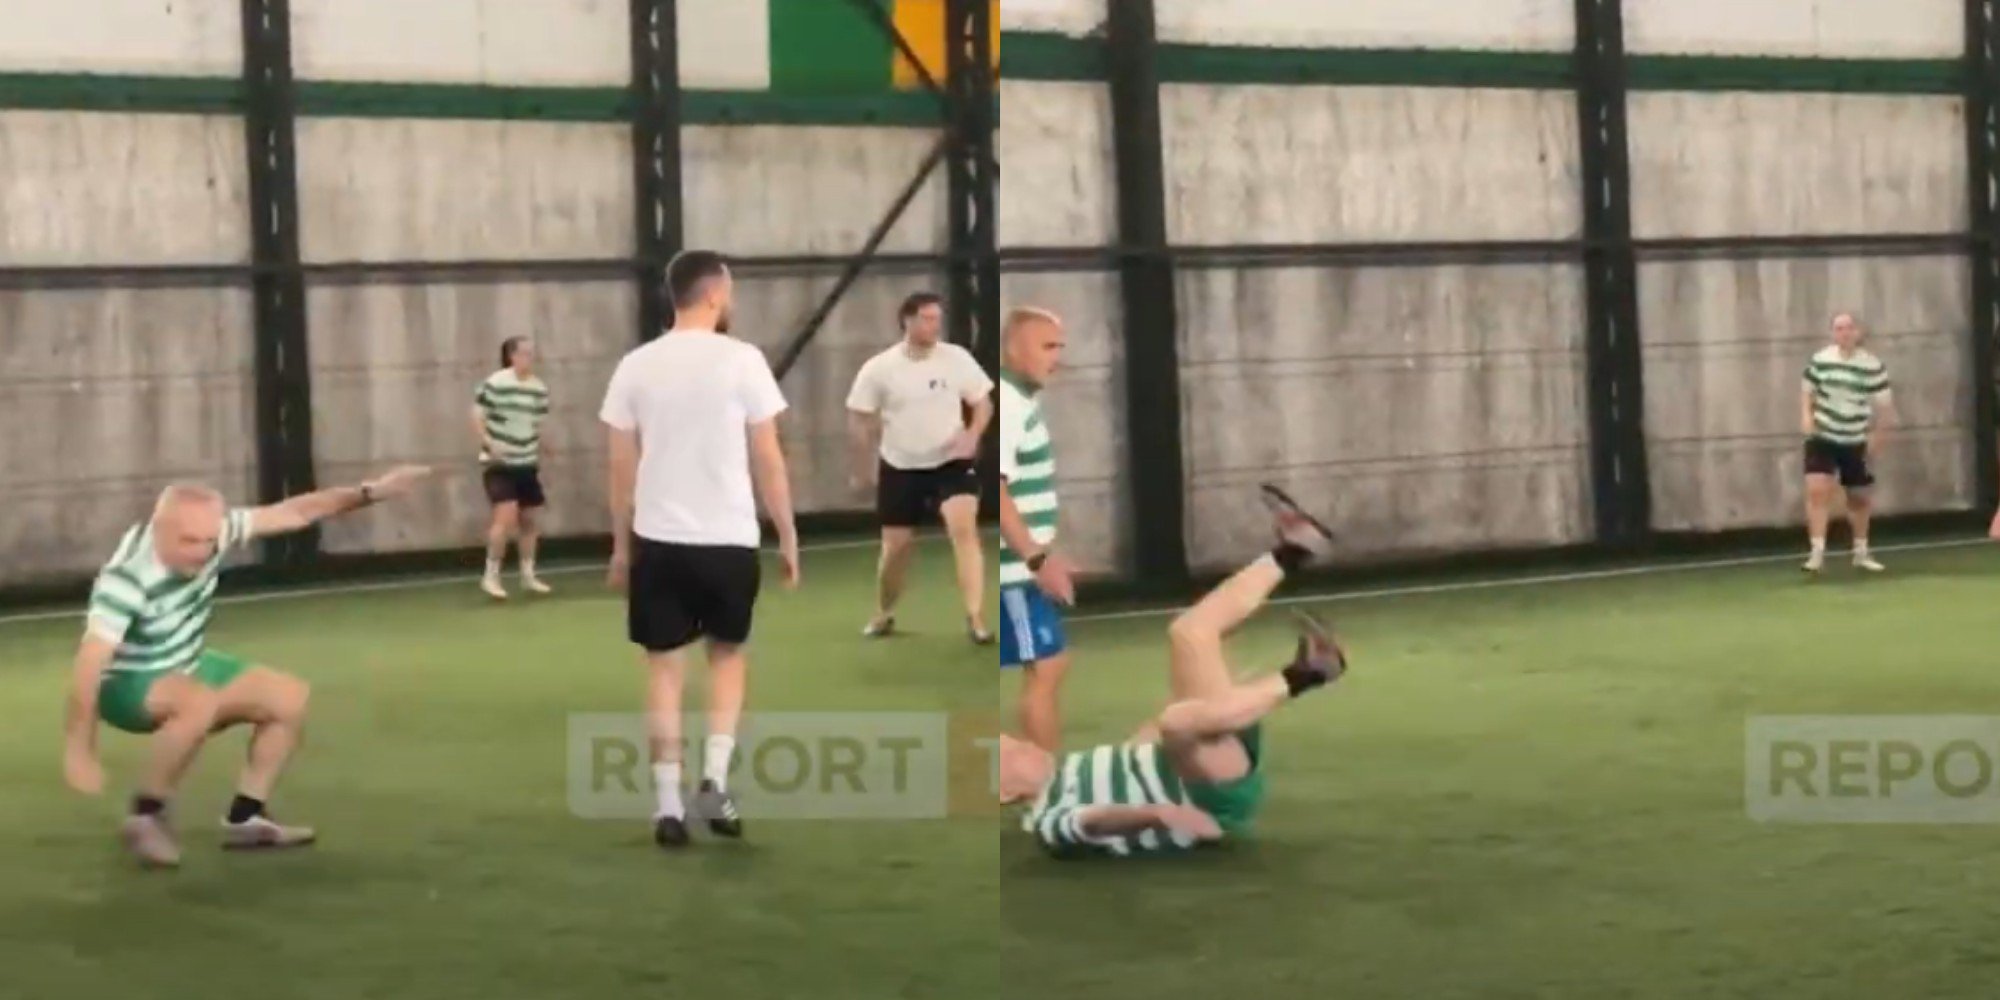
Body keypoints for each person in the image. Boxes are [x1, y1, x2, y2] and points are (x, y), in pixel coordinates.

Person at [61, 466, 432, 868]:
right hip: (125, 685)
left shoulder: (215, 531)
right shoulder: (127, 579)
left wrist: (370, 492)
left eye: (209, 540)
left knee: (288, 698)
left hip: (185, 660)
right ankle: (147, 814)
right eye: (189, 541)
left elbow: (295, 512)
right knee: (198, 703)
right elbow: (89, 664)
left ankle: (246, 817)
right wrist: (80, 749)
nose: (202, 552)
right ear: (159, 530)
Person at [999, 485, 1341, 859]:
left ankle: (1296, 548)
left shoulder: (1074, 769)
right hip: (1208, 798)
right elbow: (1093, 822)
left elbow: (1139, 750)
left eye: (1014, 741)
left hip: (1197, 753)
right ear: (1006, 792)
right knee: (1175, 722)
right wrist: (1161, 815)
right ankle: (1307, 673)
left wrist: (1207, 694)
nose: (1025, 745)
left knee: (1190, 632)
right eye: (1012, 754)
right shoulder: (1048, 820)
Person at [601, 250, 801, 850]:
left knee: (664, 672)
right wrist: (787, 533)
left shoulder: (635, 365)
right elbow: (768, 455)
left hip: (659, 541)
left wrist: (620, 545)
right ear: (714, 294)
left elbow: (620, 466)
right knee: (727, 658)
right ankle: (713, 781)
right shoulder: (743, 360)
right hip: (729, 540)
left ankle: (667, 806)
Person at [846, 291, 996, 643]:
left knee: (964, 531)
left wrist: (972, 435)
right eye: (927, 319)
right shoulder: (879, 368)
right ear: (907, 321)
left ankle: (976, 618)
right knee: (896, 548)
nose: (934, 325)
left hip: (951, 464)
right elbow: (859, 418)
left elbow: (983, 403)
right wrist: (861, 468)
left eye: (937, 319)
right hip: (901, 466)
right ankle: (884, 612)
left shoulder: (956, 359)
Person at [998, 307, 1075, 753]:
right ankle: (1043, 780)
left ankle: (1029, 772)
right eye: (1047, 346)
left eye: (1059, 347)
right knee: (1046, 669)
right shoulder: (1009, 404)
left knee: (1047, 667)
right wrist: (1036, 558)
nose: (1056, 358)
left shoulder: (1017, 400)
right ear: (1013, 348)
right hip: (1012, 575)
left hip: (1018, 569)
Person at [1801, 313, 1896, 573]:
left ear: (1858, 332)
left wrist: (1878, 437)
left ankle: (1861, 551)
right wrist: (1807, 417)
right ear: (1833, 333)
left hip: (1855, 438)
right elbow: (1808, 391)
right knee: (1817, 490)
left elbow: (1885, 406)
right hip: (1823, 434)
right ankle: (1816, 552)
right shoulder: (1821, 360)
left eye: (1849, 328)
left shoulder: (1871, 365)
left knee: (1858, 497)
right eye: (1839, 328)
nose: (1844, 333)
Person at [473, 335, 554, 599]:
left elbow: (539, 422)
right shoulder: (496, 383)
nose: (530, 358)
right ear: (512, 356)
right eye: (524, 353)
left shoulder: (538, 388)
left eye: (532, 353)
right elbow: (477, 415)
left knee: (530, 521)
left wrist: (545, 446)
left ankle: (528, 575)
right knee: (505, 518)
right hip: (500, 463)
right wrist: (489, 443)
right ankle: (491, 575)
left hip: (526, 462)